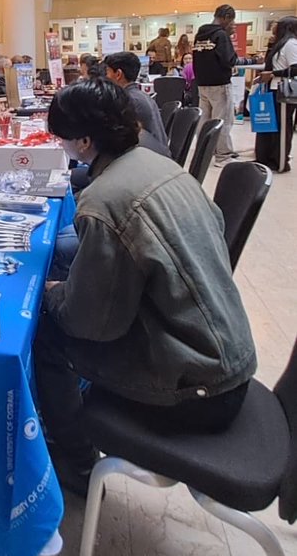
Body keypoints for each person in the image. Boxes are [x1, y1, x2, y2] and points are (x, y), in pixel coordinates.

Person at [35, 80, 257, 495]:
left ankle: (77, 465)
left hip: (198, 390)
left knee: (45, 333)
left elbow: (91, 323)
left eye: (61, 138)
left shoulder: (104, 200)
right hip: (229, 356)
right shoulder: (159, 164)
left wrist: (52, 292)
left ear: (83, 141)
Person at [192, 4, 238, 165]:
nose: (231, 24)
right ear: (225, 18)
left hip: (202, 83)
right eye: (231, 21)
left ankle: (205, 150)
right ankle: (223, 155)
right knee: (223, 119)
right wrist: (229, 38)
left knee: (204, 119)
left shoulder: (200, 34)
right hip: (219, 83)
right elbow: (229, 60)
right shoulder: (221, 35)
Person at [104, 51, 170, 153]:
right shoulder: (142, 96)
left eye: (107, 72)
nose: (105, 77)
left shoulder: (128, 101)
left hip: (148, 160)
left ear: (118, 74)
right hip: (158, 155)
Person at [255, 15, 297, 173]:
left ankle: (279, 161)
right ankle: (265, 158)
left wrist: (274, 74)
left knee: (281, 127)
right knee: (269, 126)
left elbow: (295, 68)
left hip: (283, 91)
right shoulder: (281, 44)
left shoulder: (292, 44)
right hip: (272, 89)